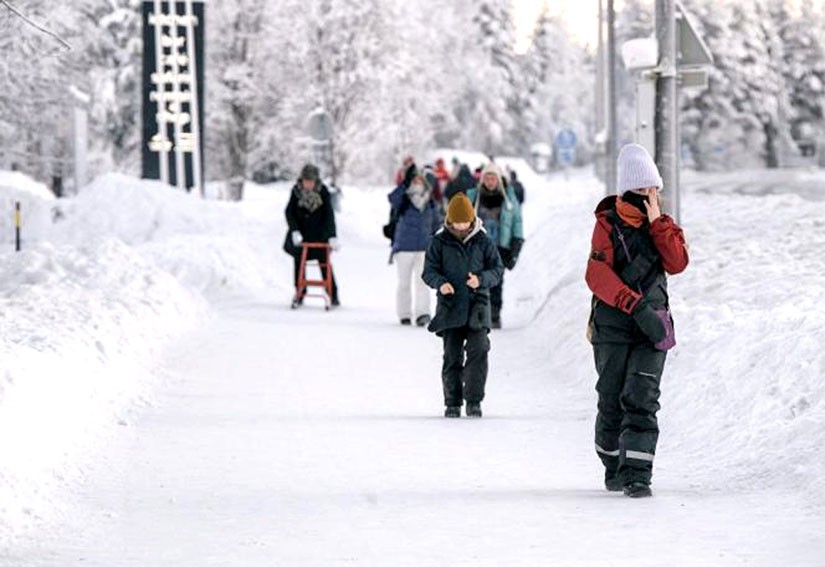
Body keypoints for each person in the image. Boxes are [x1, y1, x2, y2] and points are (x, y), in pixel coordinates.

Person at [585, 143, 689, 498]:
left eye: (655, 189)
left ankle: (638, 475)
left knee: (642, 397)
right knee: (611, 398)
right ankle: (612, 461)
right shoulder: (606, 225)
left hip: (653, 328)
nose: (651, 196)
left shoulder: (663, 225)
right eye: (644, 190)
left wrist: (658, 222)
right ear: (628, 189)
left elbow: (677, 263)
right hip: (614, 327)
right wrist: (634, 305)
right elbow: (596, 275)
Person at [422, 193, 504, 418]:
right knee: (452, 356)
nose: (461, 226)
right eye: (457, 222)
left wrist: (481, 280)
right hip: (450, 307)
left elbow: (497, 269)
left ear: (472, 219)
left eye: (465, 222)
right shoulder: (439, 241)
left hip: (478, 306)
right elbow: (428, 271)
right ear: (449, 220)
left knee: (479, 351)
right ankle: (452, 402)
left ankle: (474, 401)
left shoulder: (483, 240)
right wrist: (441, 284)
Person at [466, 163, 524, 329]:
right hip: (477, 247)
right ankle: (477, 314)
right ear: (482, 179)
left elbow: (517, 222)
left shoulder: (509, 199)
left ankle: (494, 315)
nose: (490, 181)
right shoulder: (473, 197)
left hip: (499, 247)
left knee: (496, 282)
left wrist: (516, 245)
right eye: (487, 178)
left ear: (499, 179)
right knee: (475, 280)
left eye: (493, 178)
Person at [388, 165, 442, 326]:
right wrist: (404, 184)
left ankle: (422, 314)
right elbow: (392, 198)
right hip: (404, 247)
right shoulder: (402, 198)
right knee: (404, 282)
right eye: (414, 178)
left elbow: (436, 223)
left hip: (424, 248)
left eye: (419, 178)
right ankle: (404, 314)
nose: (417, 181)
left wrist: (435, 242)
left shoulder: (430, 200)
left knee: (422, 282)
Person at [284, 163, 340, 307]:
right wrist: (294, 230)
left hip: (319, 235)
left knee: (324, 263)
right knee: (299, 262)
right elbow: (289, 212)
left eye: (310, 181)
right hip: (302, 236)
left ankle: (332, 294)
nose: (307, 184)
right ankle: (300, 292)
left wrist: (332, 235)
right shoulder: (296, 192)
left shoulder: (323, 192)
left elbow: (329, 215)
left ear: (315, 181)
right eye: (305, 181)